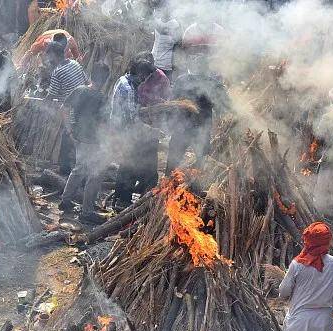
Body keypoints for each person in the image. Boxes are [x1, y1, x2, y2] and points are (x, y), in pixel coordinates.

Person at [167, 37, 227, 172]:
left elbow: (171, 104)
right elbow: (223, 107)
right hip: (200, 129)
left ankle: (168, 184)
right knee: (201, 163)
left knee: (174, 163)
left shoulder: (182, 80)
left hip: (183, 128)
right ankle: (196, 188)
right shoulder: (213, 84)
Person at [59, 63, 109, 224]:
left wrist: (69, 130)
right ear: (105, 80)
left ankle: (65, 201)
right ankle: (86, 211)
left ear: (91, 75)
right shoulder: (101, 98)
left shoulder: (79, 90)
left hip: (78, 136)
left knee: (79, 169)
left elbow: (64, 108)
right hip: (93, 140)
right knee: (96, 174)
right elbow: (103, 125)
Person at [110, 58, 156, 208]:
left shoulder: (123, 79)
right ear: (140, 73)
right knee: (129, 166)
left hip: (121, 129)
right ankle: (123, 200)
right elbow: (132, 119)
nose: (144, 81)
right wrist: (151, 130)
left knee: (125, 165)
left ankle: (118, 197)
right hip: (125, 132)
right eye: (144, 77)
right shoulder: (128, 89)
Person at [149, 0, 180, 77]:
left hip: (166, 65)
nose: (159, 11)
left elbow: (162, 30)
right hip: (154, 61)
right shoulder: (158, 21)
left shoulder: (174, 24)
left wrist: (150, 15)